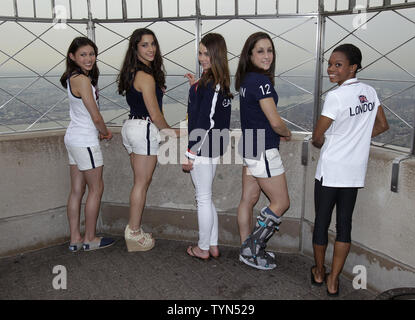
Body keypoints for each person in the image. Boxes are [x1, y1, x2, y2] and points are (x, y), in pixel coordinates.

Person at [310, 43, 389, 296]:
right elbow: (382, 125)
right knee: (344, 225)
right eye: (330, 64)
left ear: (353, 67)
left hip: (331, 170)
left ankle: (320, 273)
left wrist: (328, 140)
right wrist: (359, 138)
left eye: (338, 65)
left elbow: (317, 135)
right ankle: (335, 280)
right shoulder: (370, 91)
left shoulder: (335, 96)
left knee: (321, 223)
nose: (331, 69)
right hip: (354, 172)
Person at [117, 28, 179, 252]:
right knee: (141, 184)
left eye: (153, 43)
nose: (151, 48)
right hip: (144, 129)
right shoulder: (145, 76)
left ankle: (135, 230)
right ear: (135, 48)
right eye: (144, 45)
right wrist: (173, 132)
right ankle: (133, 233)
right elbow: (155, 114)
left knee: (140, 182)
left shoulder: (134, 73)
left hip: (131, 127)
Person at [235, 32, 291, 270]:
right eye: (260, 51)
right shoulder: (262, 82)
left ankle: (246, 248)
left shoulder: (246, 80)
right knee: (281, 202)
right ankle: (252, 250)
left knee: (248, 199)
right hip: (264, 147)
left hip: (250, 143)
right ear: (250, 55)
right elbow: (275, 121)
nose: (267, 55)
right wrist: (286, 133)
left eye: (269, 50)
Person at [60, 37, 115, 252]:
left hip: (73, 137)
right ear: (72, 56)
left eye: (91, 54)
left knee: (76, 190)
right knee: (96, 188)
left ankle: (75, 238)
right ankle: (90, 238)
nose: (89, 58)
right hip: (85, 140)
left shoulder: (72, 78)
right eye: (83, 54)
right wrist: (105, 132)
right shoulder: (82, 80)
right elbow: (96, 116)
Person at [182, 33, 233, 260]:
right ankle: (212, 245)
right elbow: (209, 110)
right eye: (200, 53)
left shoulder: (211, 84)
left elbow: (205, 120)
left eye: (206, 54)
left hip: (203, 145)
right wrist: (196, 86)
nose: (202, 57)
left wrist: (190, 152)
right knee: (207, 196)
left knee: (202, 198)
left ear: (217, 55)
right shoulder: (217, 81)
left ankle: (203, 248)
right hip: (214, 145)